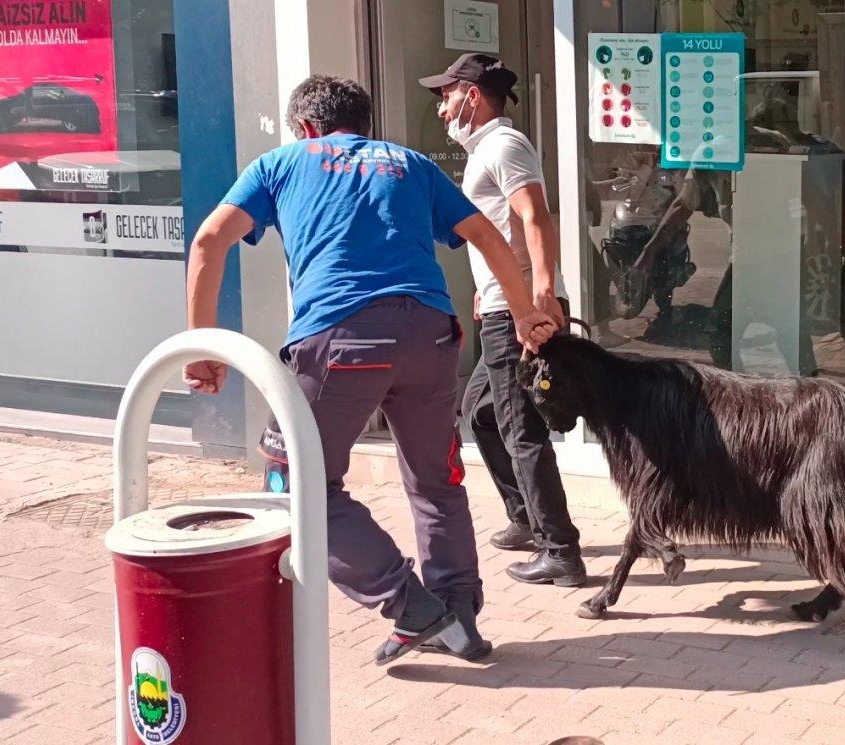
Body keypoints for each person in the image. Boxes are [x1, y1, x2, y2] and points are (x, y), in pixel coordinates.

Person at [183, 75, 557, 665]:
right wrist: (525, 312)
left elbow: (208, 241)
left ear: (305, 127)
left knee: (295, 483)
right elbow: (486, 232)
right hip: (432, 336)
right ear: (364, 123)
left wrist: (203, 347)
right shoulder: (409, 164)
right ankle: (459, 614)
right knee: (437, 480)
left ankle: (411, 606)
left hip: (341, 341)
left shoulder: (280, 163)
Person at [419, 54, 587, 587]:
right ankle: (525, 517)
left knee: (522, 429)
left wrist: (537, 298)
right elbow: (499, 229)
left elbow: (535, 216)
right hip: (499, 304)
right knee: (483, 414)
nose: (441, 108)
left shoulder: (505, 146)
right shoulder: (485, 151)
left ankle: (560, 550)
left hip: (517, 312)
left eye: (444, 96)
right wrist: (484, 292)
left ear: (471, 95)